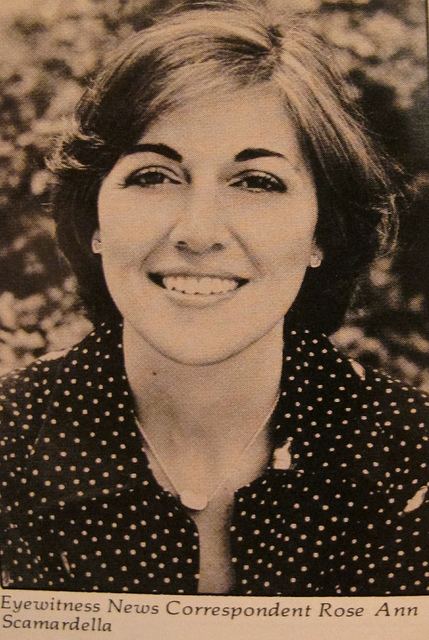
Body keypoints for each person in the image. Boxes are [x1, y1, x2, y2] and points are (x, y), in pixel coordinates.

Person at [1, 0, 428, 597]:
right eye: (153, 175)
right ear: (94, 219)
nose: (198, 233)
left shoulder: (410, 456)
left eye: (257, 182)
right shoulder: (11, 439)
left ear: (322, 233)